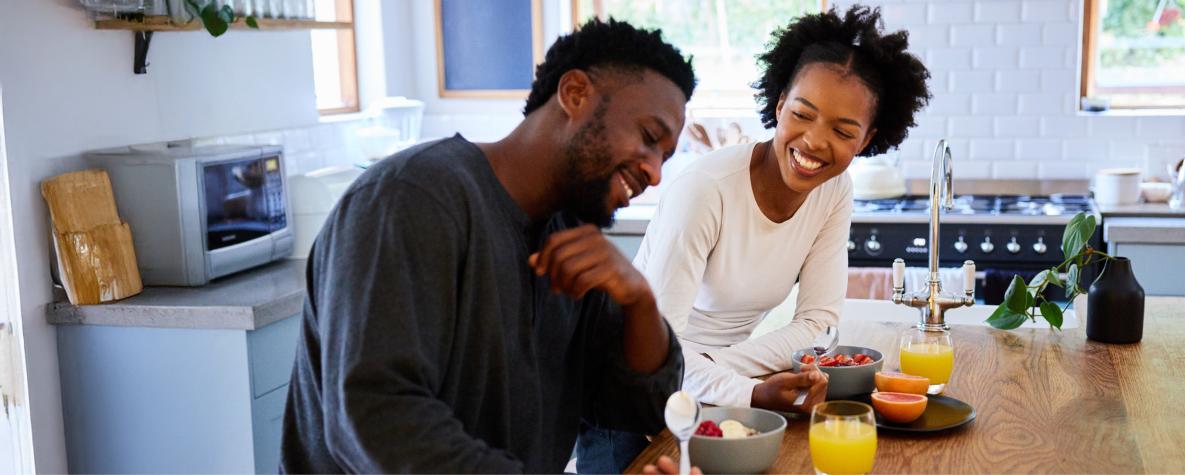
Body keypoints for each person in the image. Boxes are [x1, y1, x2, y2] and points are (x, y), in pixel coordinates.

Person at [280, 19, 697, 473]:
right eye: (649, 137)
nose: (655, 173)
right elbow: (380, 419)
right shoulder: (411, 199)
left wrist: (639, 299)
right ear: (575, 93)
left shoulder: (572, 235)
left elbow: (639, 411)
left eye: (665, 157)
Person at [576, 5, 932, 472]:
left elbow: (820, 324)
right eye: (803, 114)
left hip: (710, 391)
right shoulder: (706, 191)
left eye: (843, 131)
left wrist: (720, 366)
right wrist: (746, 386)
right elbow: (659, 350)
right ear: (780, 102)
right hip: (624, 393)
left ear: (866, 140)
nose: (814, 143)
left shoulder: (833, 192)